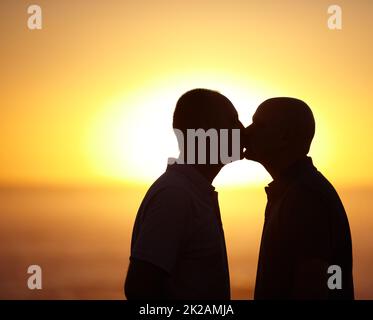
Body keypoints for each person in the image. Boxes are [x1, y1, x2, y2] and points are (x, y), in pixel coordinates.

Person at [125, 88, 244, 299]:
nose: (243, 130)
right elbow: (139, 287)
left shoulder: (189, 191)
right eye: (233, 121)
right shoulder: (175, 196)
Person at [243, 97, 354, 299]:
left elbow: (316, 282)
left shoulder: (306, 197)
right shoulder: (297, 190)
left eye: (258, 125)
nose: (246, 131)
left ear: (284, 137)